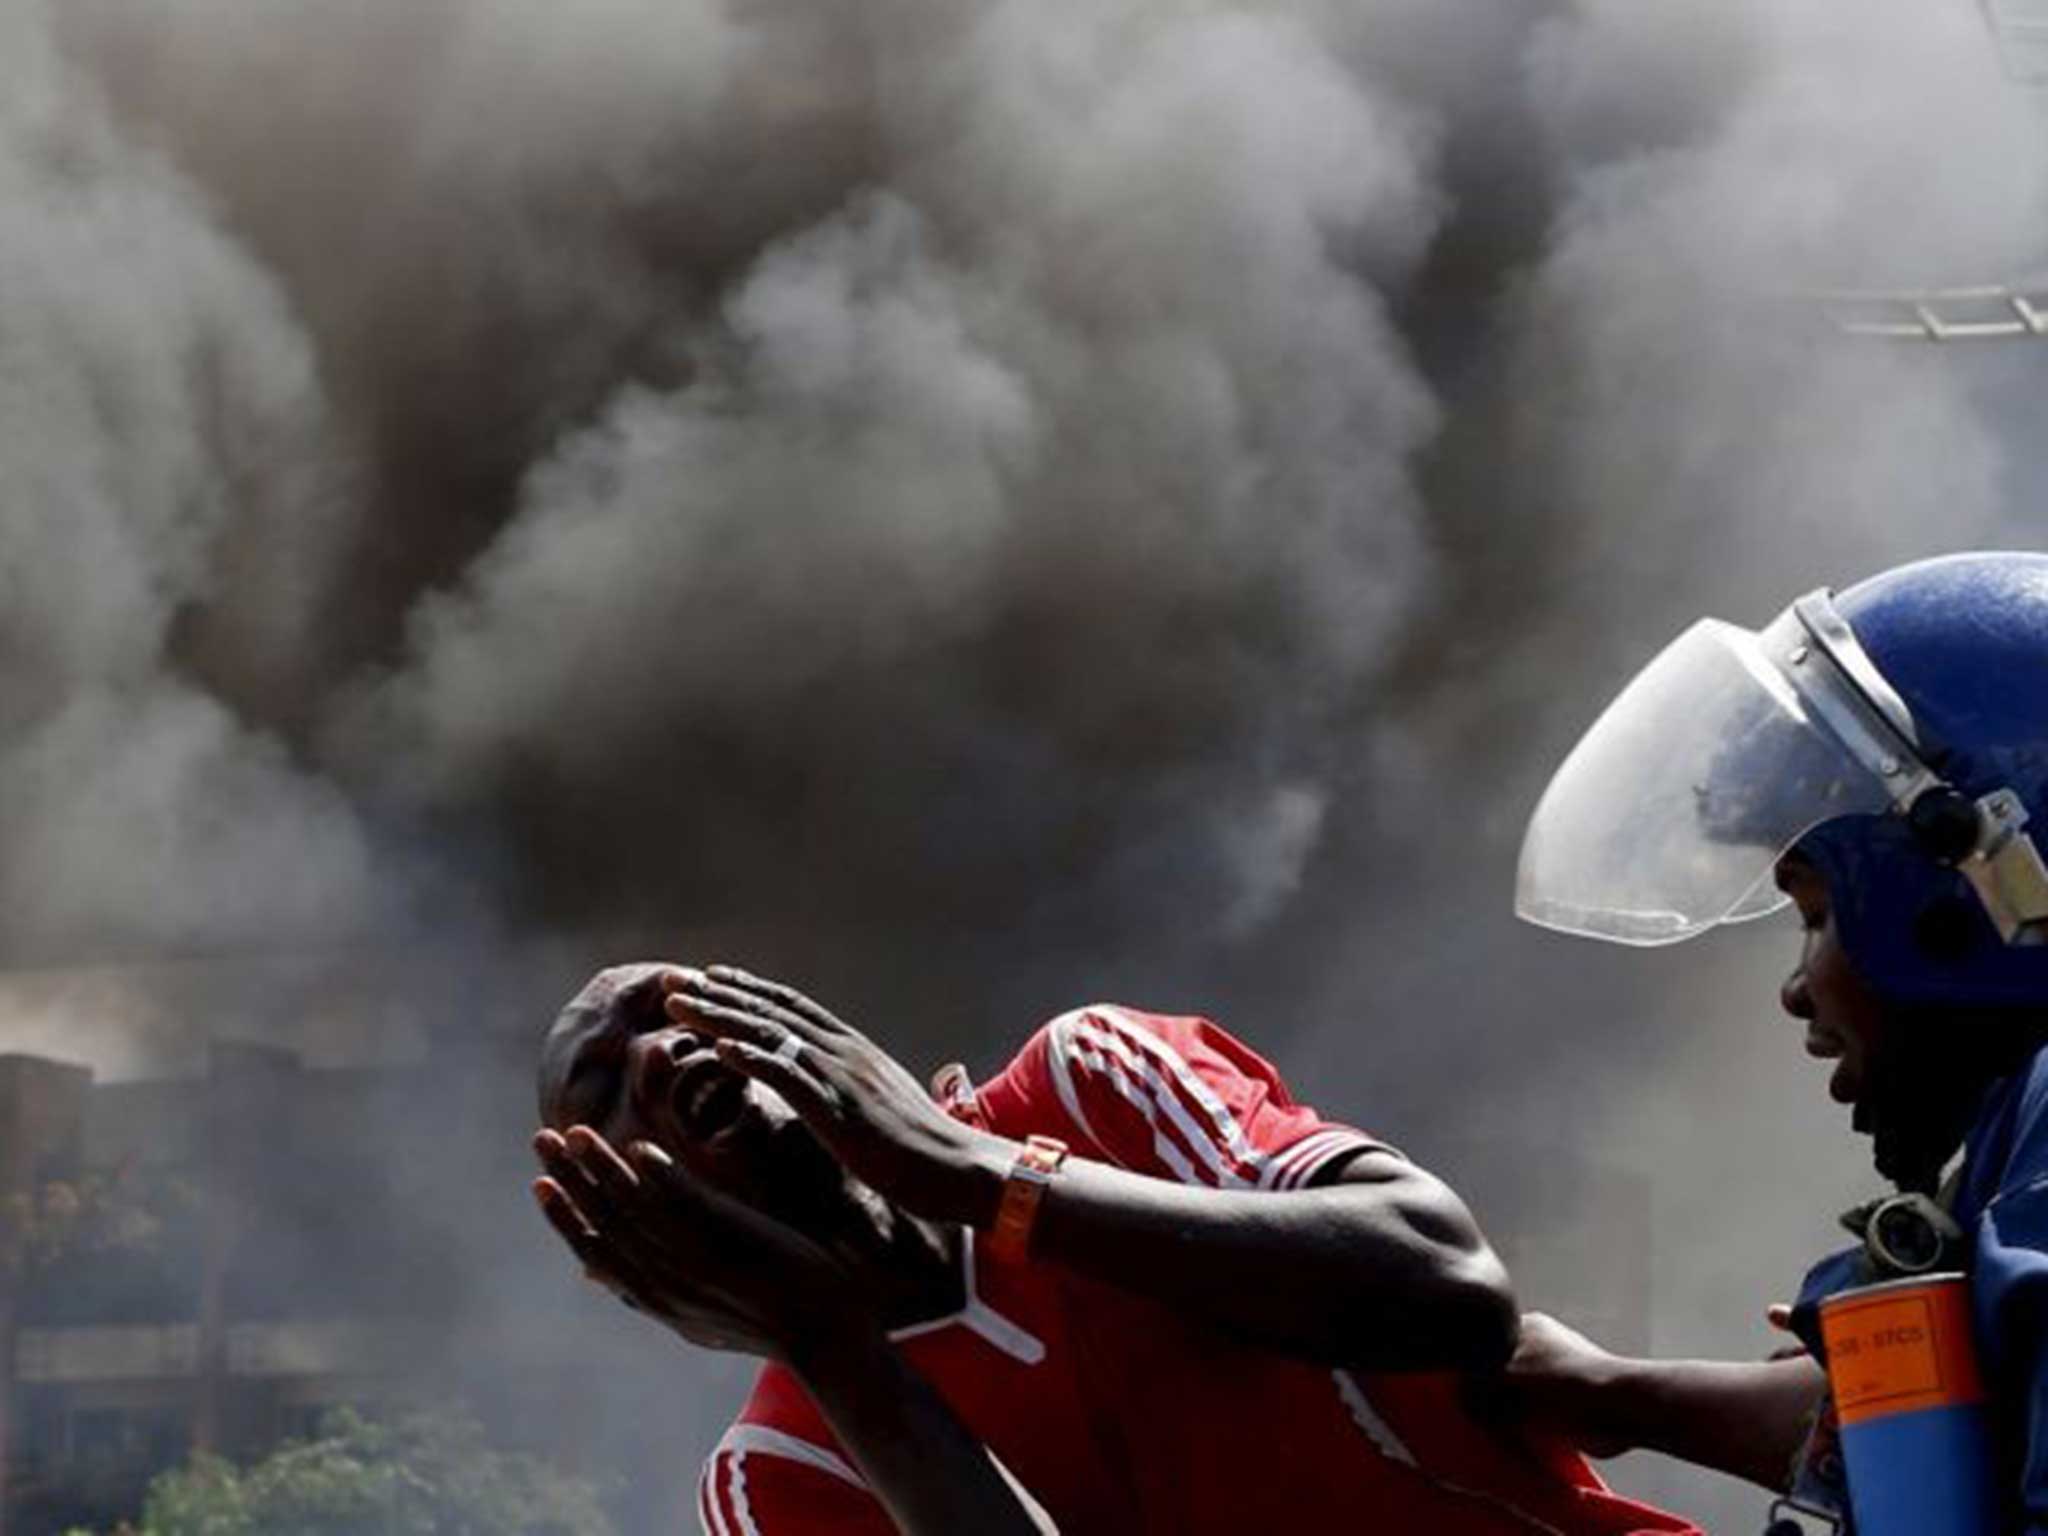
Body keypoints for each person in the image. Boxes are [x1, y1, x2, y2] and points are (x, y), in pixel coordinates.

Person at [532, 962, 1702, 1534]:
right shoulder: (778, 1479)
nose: (657, 1054)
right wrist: (826, 1343)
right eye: (605, 1084)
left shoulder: (1084, 1087)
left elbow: (1445, 1291)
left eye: (677, 1008)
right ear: (622, 1230)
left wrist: (970, 1173)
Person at [1503, 550, 2048, 1528]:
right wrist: (1611, 1393)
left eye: (1812, 909)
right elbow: (1982, 1436)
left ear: (1959, 891)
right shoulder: (2017, 1164)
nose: (1796, 990)